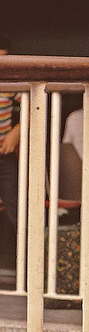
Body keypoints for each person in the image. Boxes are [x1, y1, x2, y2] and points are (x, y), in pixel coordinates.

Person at [0, 32, 21, 232]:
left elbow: (35, 106)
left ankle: (22, 259)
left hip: (3, 156)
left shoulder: (9, 83)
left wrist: (18, 130)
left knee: (16, 211)